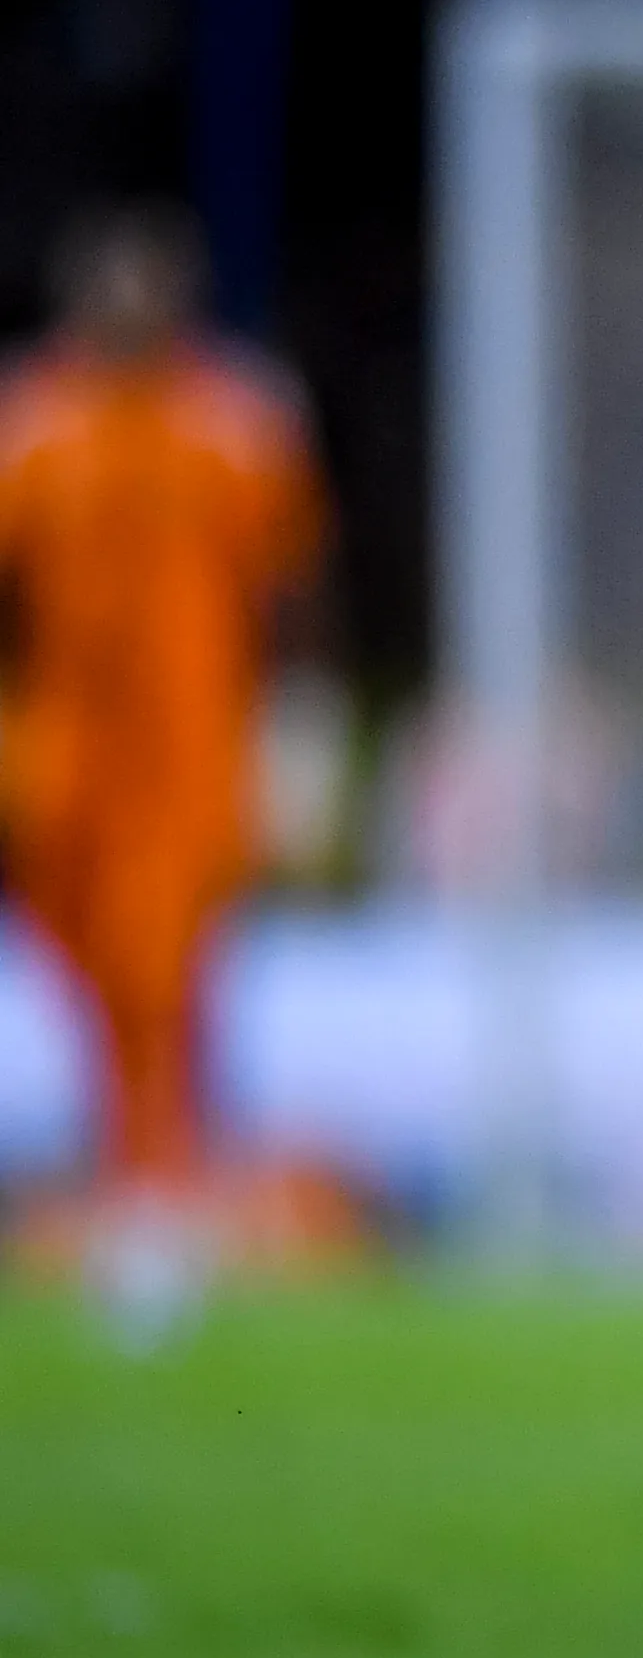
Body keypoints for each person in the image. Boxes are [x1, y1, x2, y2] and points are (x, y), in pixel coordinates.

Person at [0, 205, 326, 1214]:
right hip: (64, 751)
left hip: (193, 751)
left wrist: (301, 727)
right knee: (84, 966)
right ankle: (129, 1163)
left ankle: (161, 1175)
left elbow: (297, 585)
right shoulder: (30, 423)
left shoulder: (236, 419)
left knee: (171, 969)